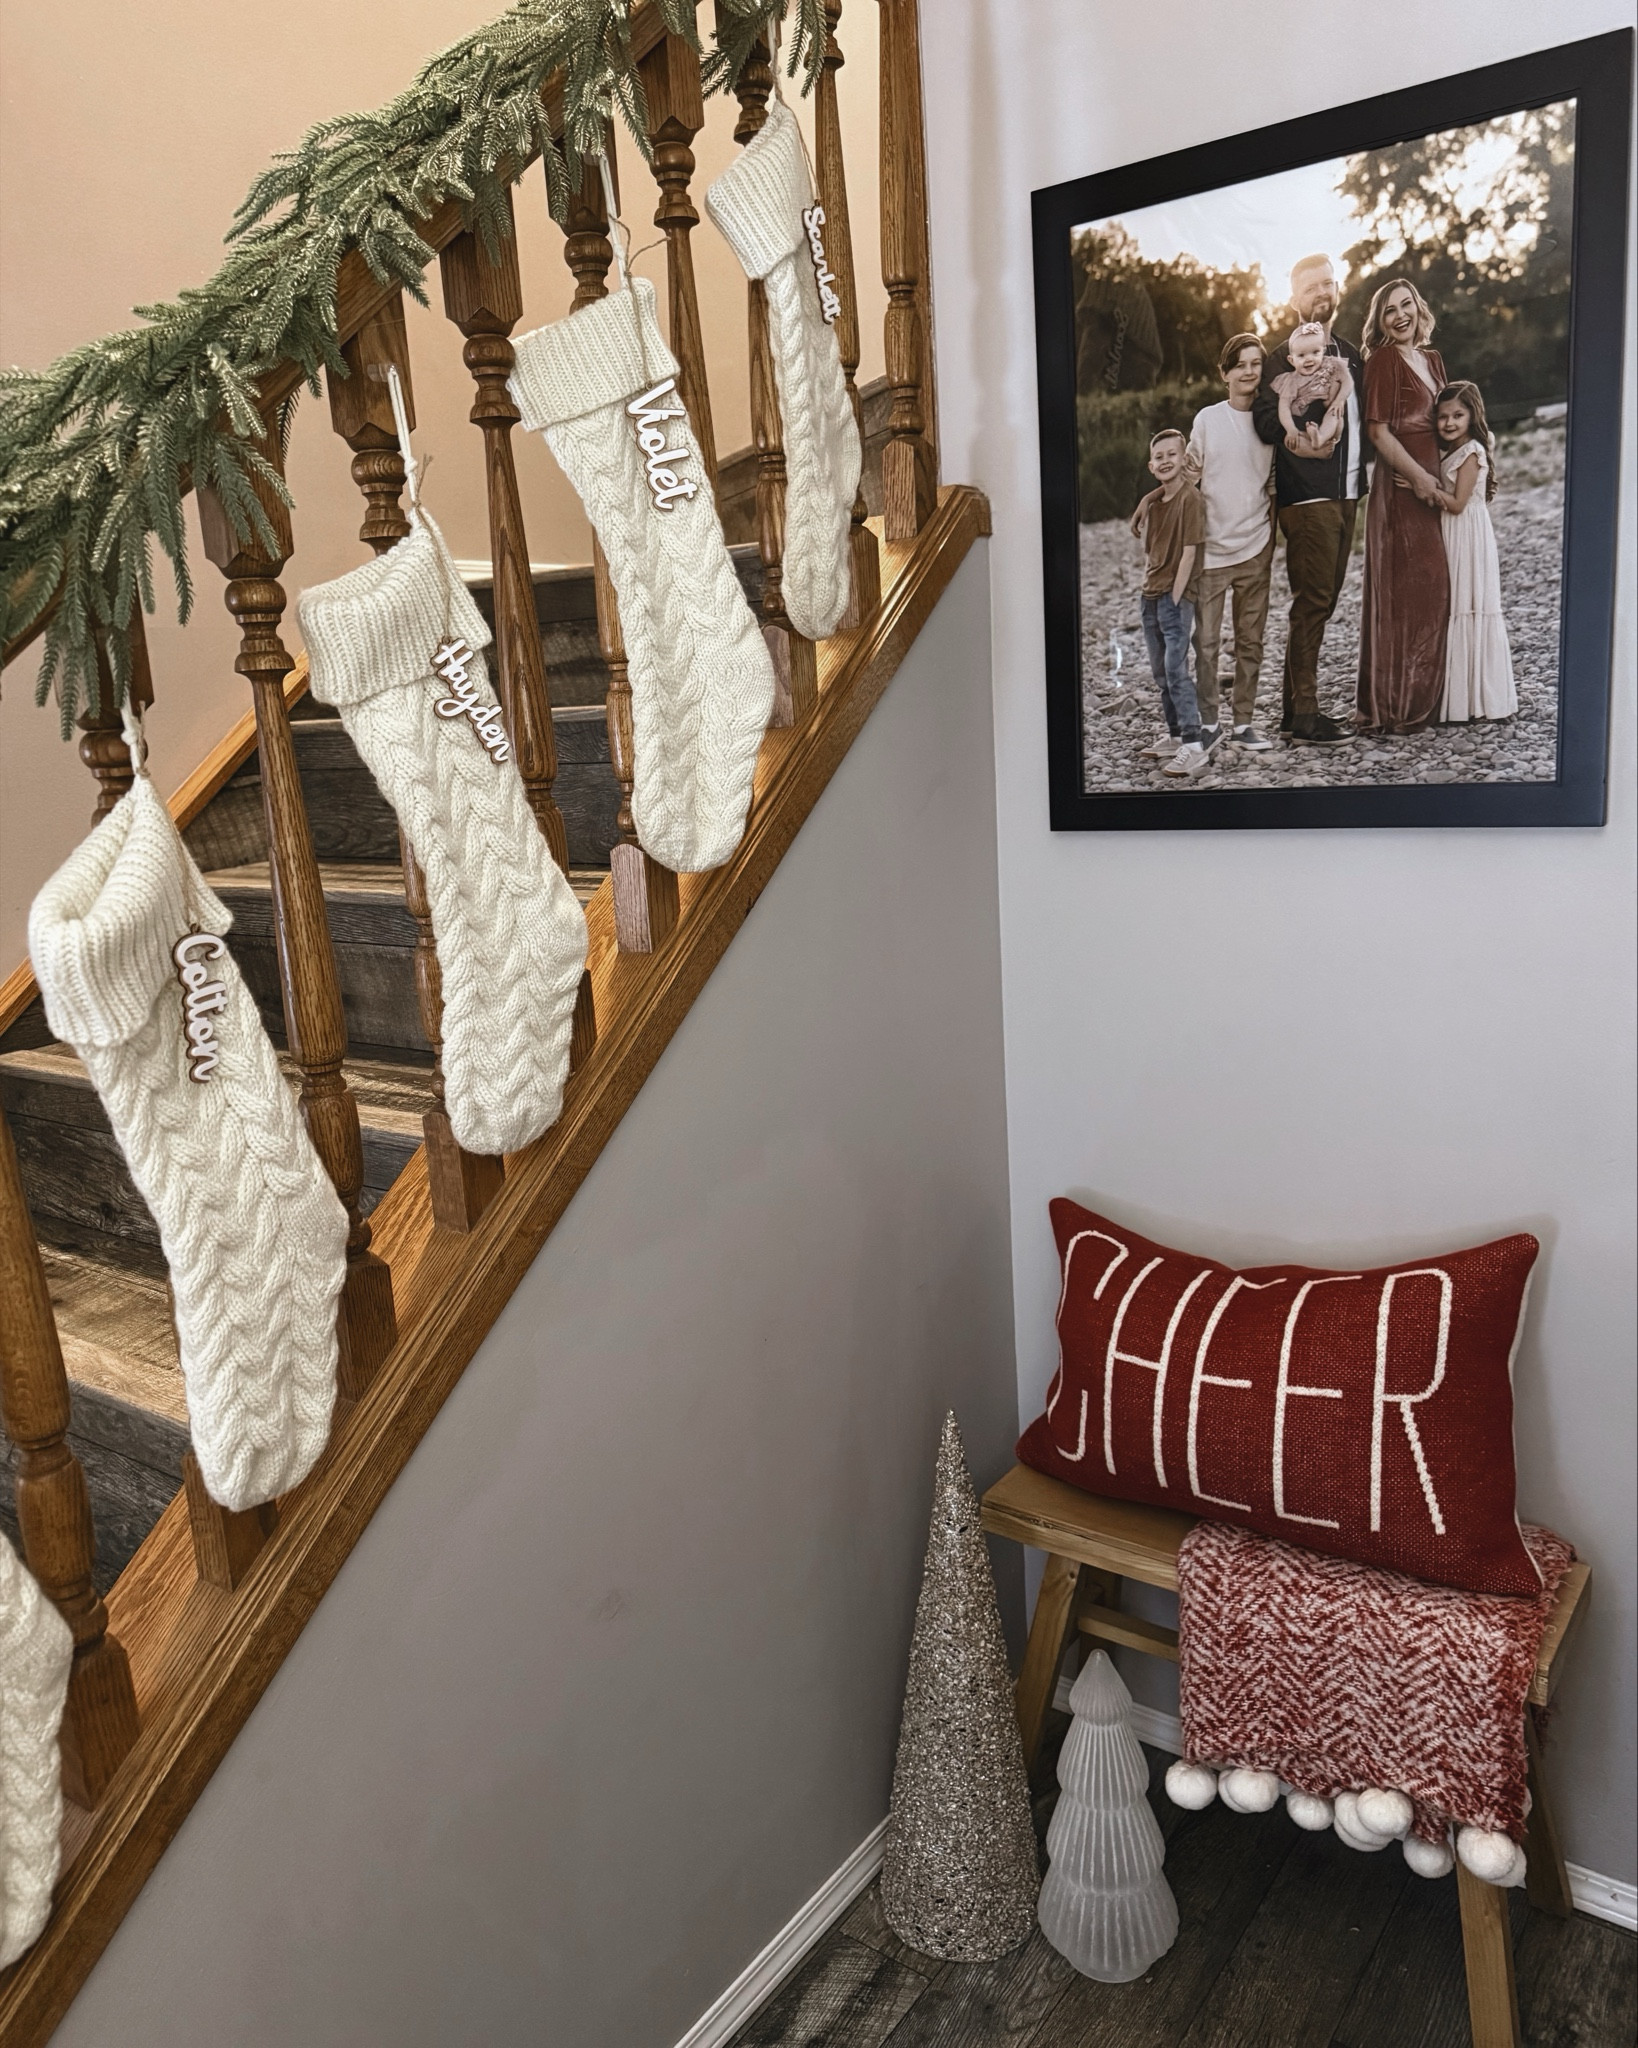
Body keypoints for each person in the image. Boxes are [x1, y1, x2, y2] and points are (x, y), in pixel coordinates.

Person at [1252, 254, 1368, 745]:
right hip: (1308, 498)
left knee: (1322, 601)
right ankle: (1304, 717)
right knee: (1313, 601)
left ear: (1336, 289)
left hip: (1348, 493)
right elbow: (1261, 421)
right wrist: (1299, 431)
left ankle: (1293, 710)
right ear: (1295, 299)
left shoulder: (1349, 353)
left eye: (1327, 284)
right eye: (1310, 289)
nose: (1320, 294)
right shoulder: (1282, 357)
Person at [1356, 278, 1450, 732]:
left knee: (1435, 588)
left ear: (1418, 307)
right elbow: (1378, 432)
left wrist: (1466, 472)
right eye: (1389, 310)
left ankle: (1432, 697)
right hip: (1401, 487)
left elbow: (1454, 422)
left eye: (1406, 305)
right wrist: (1419, 479)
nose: (1400, 316)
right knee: (1405, 591)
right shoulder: (1383, 361)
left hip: (1437, 485)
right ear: (1380, 320)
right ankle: (1396, 707)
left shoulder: (1432, 359)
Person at [1188, 333, 1276, 750]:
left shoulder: (1270, 419)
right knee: (1205, 643)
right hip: (1211, 549)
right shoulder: (1207, 419)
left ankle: (1243, 723)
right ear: (1224, 373)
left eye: (1255, 363)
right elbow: (1188, 477)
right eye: (1239, 364)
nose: (1249, 371)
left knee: (1250, 640)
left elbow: (1275, 483)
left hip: (1256, 545)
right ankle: (1208, 723)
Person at [1128, 429, 1211, 778]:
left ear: (1184, 459)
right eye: (1158, 457)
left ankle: (1194, 746)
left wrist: (1176, 597)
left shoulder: (1191, 500)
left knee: (1177, 671)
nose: (1165, 461)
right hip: (1149, 596)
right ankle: (1176, 735)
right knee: (1162, 674)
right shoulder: (1158, 500)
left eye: (1171, 455)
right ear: (1151, 465)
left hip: (1173, 599)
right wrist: (1146, 499)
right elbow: (1161, 492)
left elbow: (1190, 553)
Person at [1433, 380, 1517, 722]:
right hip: (1455, 533)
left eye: (1458, 415)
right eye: (1442, 417)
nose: (1449, 423)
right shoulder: (1452, 449)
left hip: (1466, 532)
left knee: (1471, 605)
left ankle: (1483, 700)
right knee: (1458, 605)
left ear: (1472, 415)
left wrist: (1421, 486)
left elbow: (1455, 504)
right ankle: (1461, 698)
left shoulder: (1472, 452)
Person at [1272, 321, 1355, 458]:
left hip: (1331, 421)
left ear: (1323, 350)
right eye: (1301, 355)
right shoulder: (1291, 380)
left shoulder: (1331, 365)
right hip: (1303, 426)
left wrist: (1339, 401)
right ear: (1291, 360)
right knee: (1291, 441)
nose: (1309, 359)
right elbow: (1284, 407)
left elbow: (1348, 382)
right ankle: (1318, 451)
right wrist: (1290, 429)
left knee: (1335, 412)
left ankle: (1321, 438)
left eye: (1315, 352)